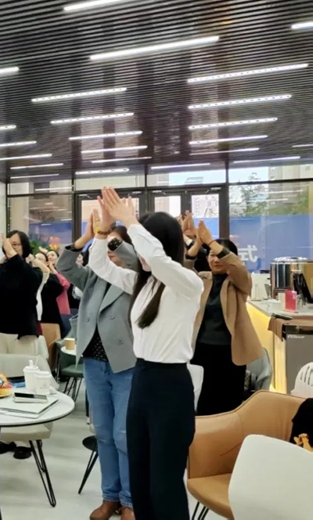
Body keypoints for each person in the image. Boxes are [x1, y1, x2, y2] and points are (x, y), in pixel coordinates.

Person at [87, 188, 203, 520]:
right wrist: (103, 230)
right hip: (142, 379)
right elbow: (99, 265)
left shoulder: (187, 283)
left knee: (164, 484)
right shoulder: (143, 283)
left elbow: (160, 260)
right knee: (140, 478)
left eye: (141, 246)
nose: (137, 254)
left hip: (171, 386)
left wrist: (131, 223)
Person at [57, 209, 139, 520]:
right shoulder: (93, 275)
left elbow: (138, 263)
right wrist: (88, 238)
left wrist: (113, 239)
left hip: (125, 363)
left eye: (116, 245)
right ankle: (110, 496)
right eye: (106, 244)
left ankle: (130, 500)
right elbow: (65, 265)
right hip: (94, 361)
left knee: (123, 434)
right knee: (103, 431)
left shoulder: (135, 276)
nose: (109, 251)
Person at [184, 216, 262, 416]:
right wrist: (197, 244)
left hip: (230, 352)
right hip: (201, 349)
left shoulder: (239, 282)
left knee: (228, 403)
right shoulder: (202, 279)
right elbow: (183, 270)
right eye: (211, 255)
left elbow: (237, 267)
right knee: (202, 400)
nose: (215, 260)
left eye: (219, 255)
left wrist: (211, 242)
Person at [0, 231, 42, 355]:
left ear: (24, 246)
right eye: (8, 244)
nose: (10, 248)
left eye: (15, 244)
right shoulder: (1, 270)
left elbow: (30, 282)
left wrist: (13, 255)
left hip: (22, 332)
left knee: (22, 366)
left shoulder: (33, 270)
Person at [47, 250, 72, 336]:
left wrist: (53, 269)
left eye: (52, 255)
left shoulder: (62, 271)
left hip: (61, 309)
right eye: (48, 255)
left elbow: (65, 284)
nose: (50, 257)